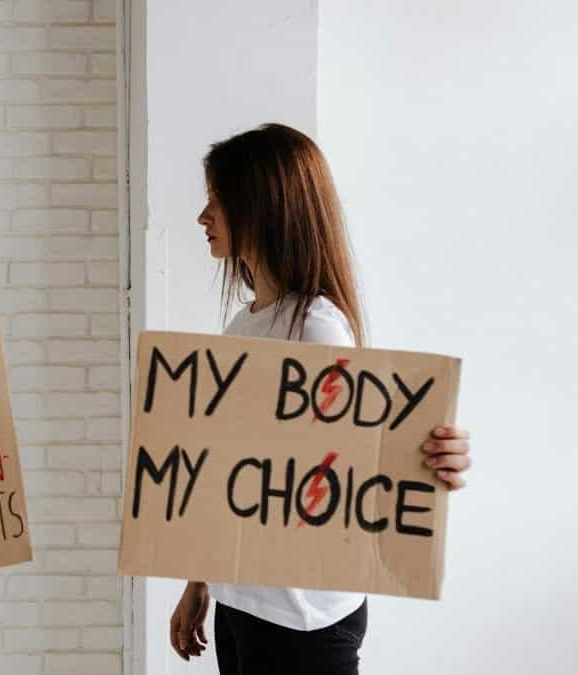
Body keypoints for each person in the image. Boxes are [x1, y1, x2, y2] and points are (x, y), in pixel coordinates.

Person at [169, 123, 473, 674]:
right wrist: (201, 582)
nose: (203, 216)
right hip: (244, 602)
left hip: (301, 616)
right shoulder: (244, 325)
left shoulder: (316, 328)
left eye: (217, 199)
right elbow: (231, 468)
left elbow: (353, 463)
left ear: (262, 207)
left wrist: (430, 458)